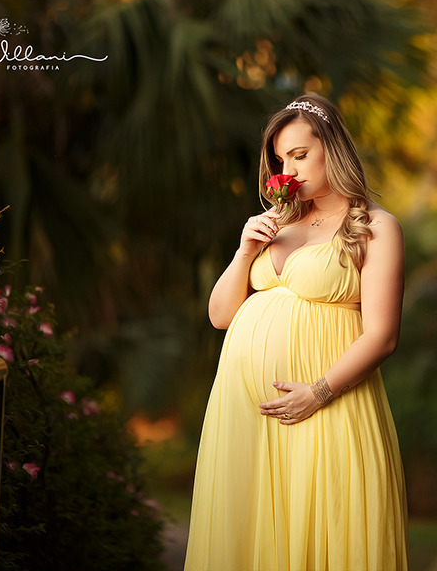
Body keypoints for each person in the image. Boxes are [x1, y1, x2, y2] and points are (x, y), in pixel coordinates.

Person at [184, 94, 409, 570]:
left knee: (325, 536)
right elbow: (220, 316)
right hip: (244, 412)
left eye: (300, 155)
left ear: (333, 147)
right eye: (280, 159)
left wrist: (319, 392)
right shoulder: (275, 225)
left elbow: (383, 335)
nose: (288, 170)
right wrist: (245, 252)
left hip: (327, 405)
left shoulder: (375, 228)